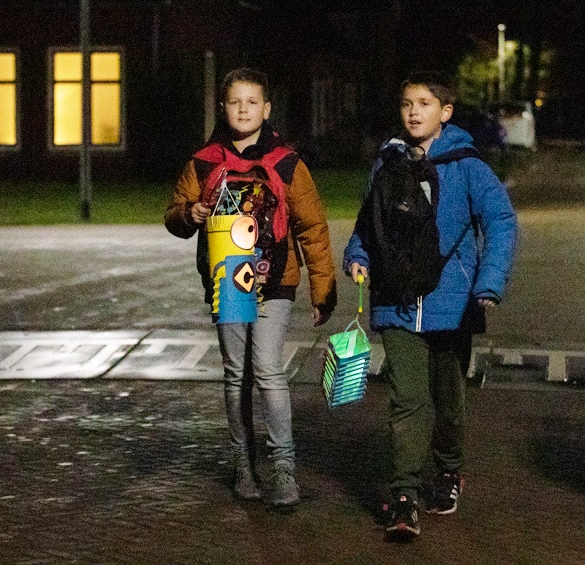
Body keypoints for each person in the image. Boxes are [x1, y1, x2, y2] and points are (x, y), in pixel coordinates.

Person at [343, 71, 517, 539]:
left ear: (446, 112)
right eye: (407, 104)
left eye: (424, 103)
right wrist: (358, 256)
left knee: (448, 399)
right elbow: (368, 222)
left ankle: (448, 469)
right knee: (408, 399)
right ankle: (404, 496)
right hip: (395, 300)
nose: (413, 112)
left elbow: (501, 220)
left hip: (451, 302)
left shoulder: (467, 165)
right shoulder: (386, 163)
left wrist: (489, 282)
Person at [165, 68, 336, 507]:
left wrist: (323, 289)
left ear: (267, 109)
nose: (243, 109)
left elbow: (312, 228)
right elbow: (174, 214)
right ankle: (244, 464)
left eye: (252, 102)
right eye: (235, 102)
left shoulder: (287, 163)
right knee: (235, 374)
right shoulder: (204, 162)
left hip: (274, 281)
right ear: (223, 107)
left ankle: (283, 468)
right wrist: (190, 214)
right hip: (227, 280)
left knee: (268, 370)